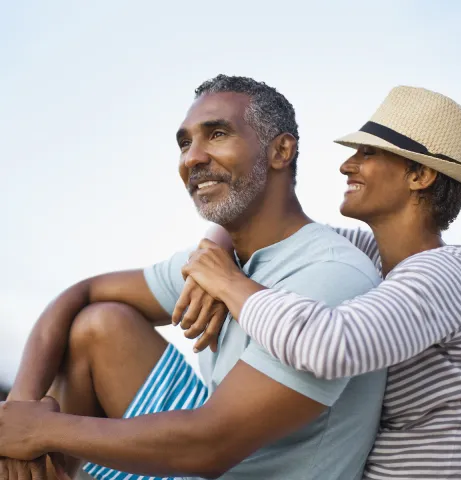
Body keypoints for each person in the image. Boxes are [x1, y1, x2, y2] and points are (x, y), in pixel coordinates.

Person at [0, 75, 386, 480]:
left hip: (211, 455)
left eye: (217, 134)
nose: (192, 159)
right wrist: (21, 410)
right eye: (185, 144)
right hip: (202, 460)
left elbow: (211, 445)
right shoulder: (216, 263)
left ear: (280, 151)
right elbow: (82, 292)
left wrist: (42, 430)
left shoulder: (328, 275)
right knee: (98, 325)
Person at [181, 86, 461, 479]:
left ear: (419, 175)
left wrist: (227, 282)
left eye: (368, 153)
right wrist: (214, 247)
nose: (347, 165)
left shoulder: (452, 271)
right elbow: (264, 229)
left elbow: (330, 347)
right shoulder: (370, 254)